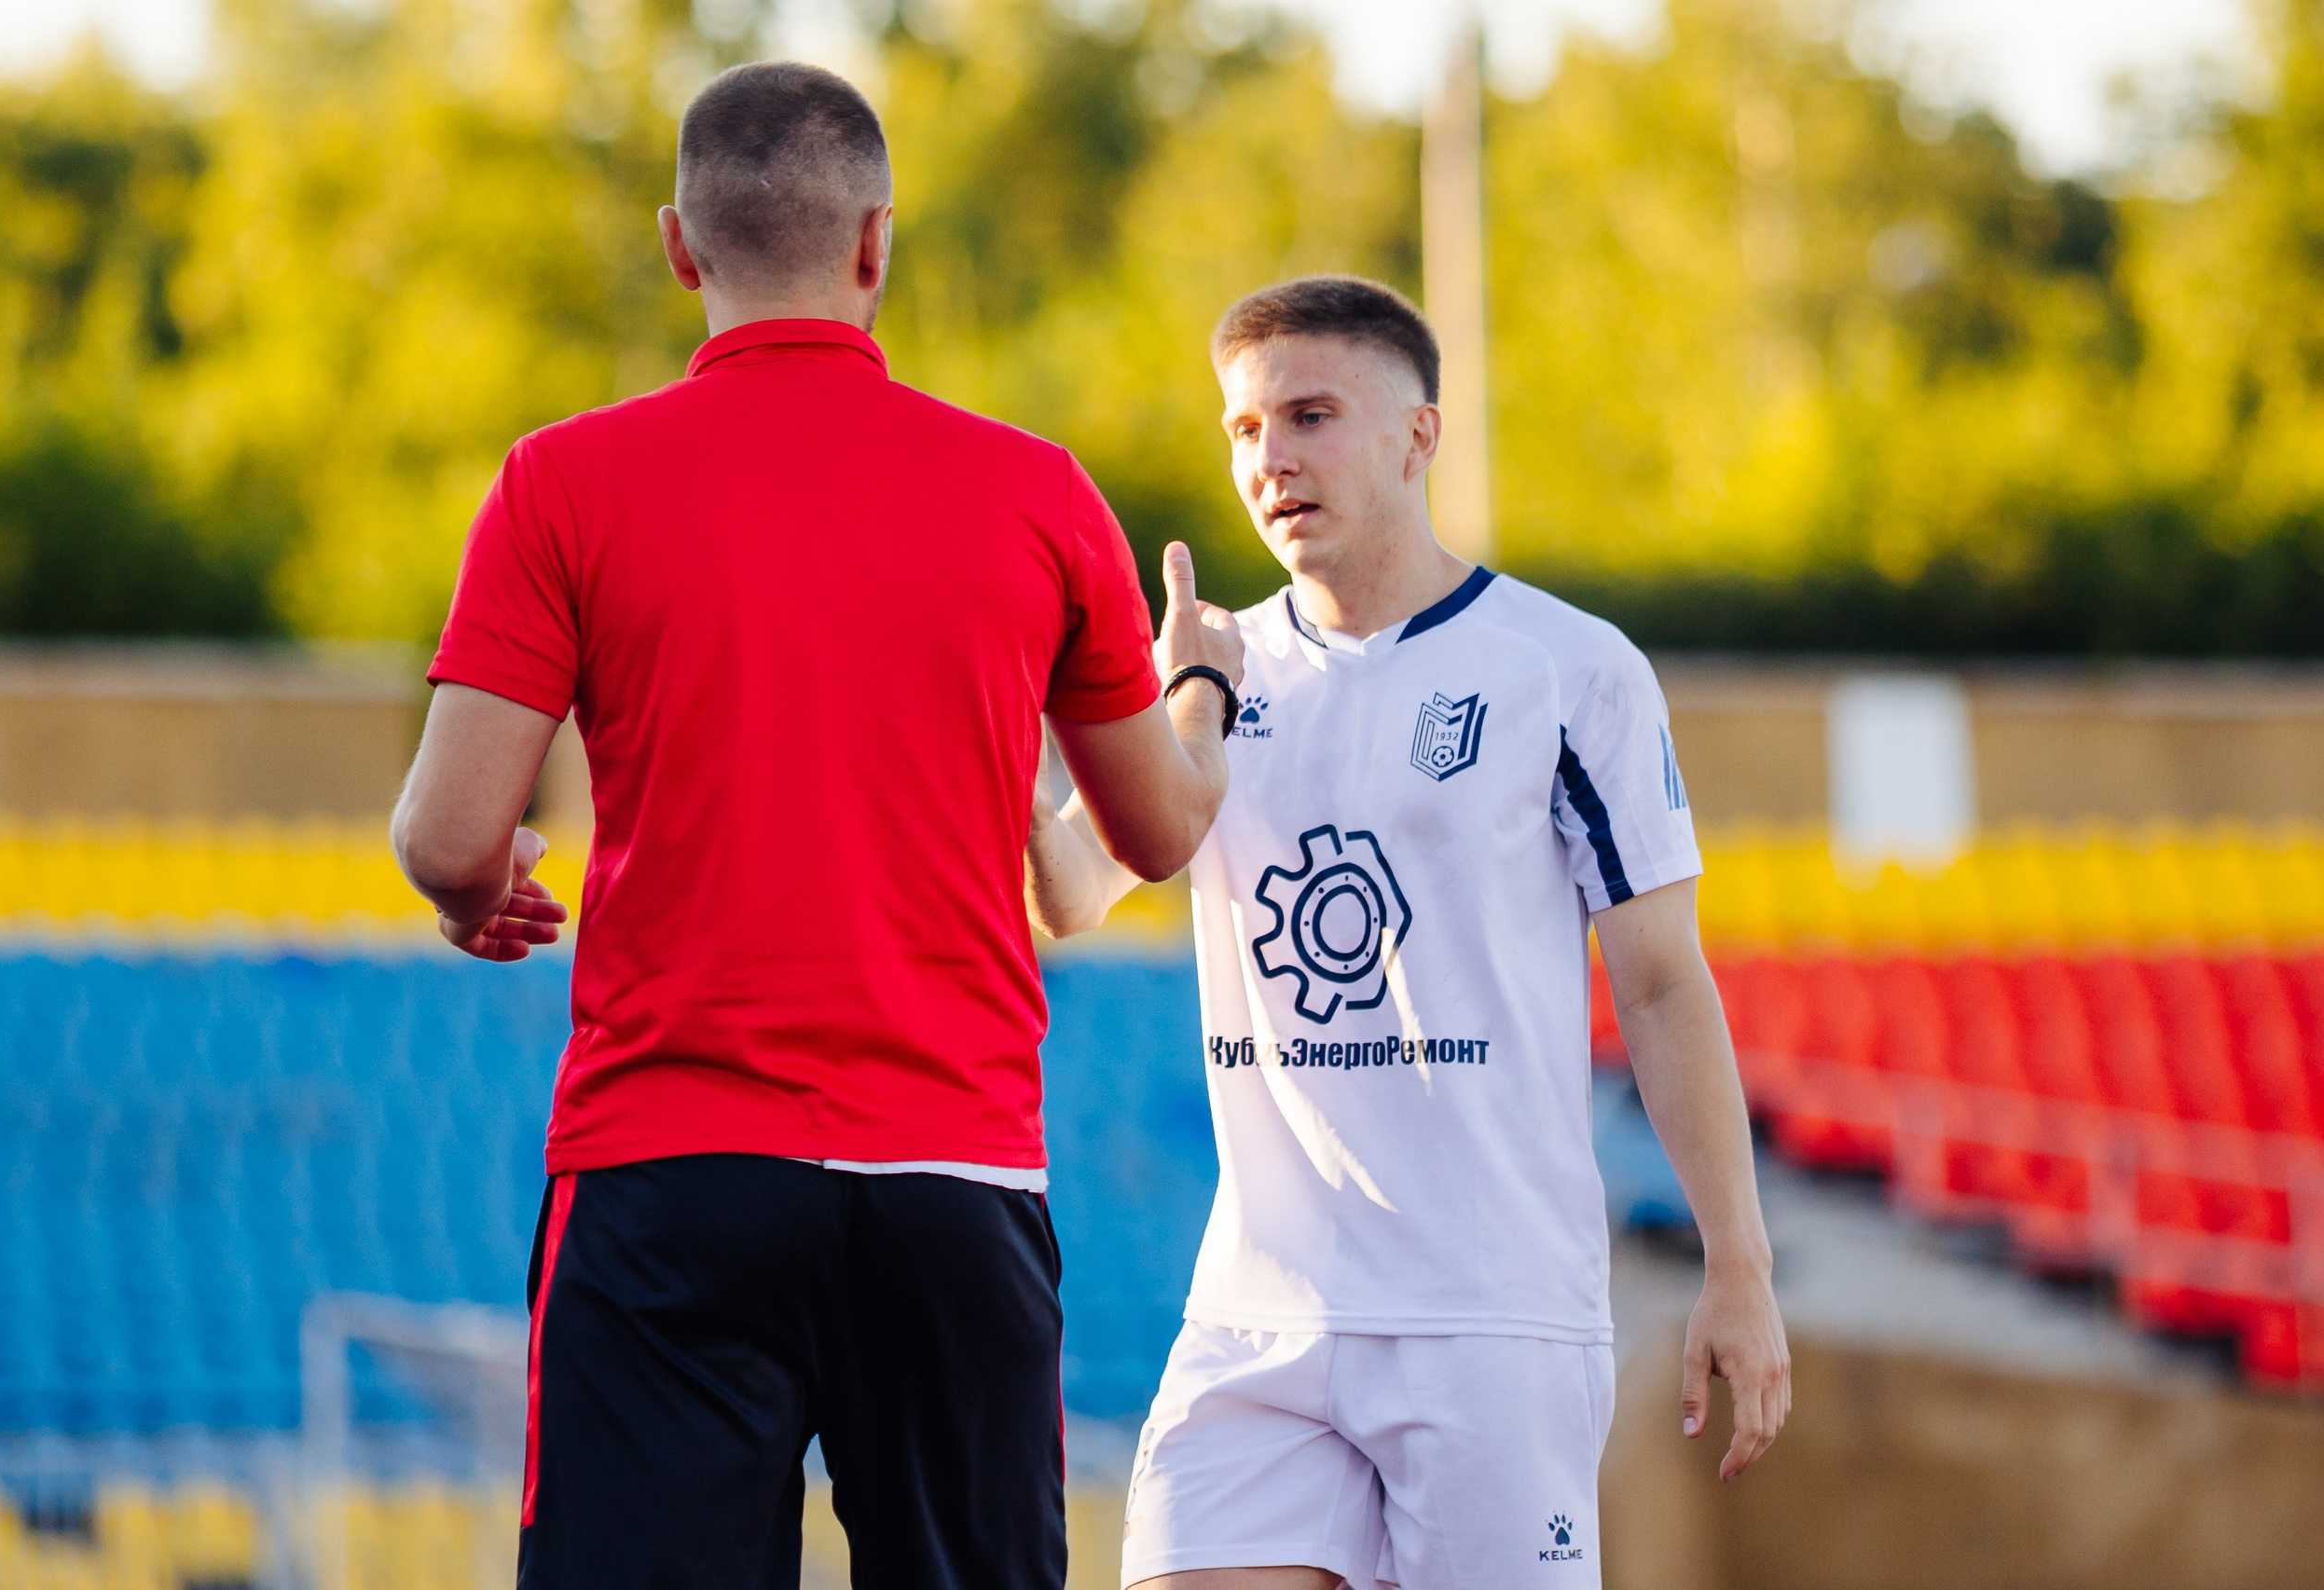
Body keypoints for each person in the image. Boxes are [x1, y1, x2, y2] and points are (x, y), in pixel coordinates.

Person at [390, 61, 1246, 1590]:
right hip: (954, 1177)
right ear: (877, 245)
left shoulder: (561, 481)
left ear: (679, 245)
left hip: (668, 1172)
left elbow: (451, 833)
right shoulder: (1039, 493)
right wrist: (1199, 682)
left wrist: (479, 892)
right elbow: (1161, 832)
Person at [1025, 276, 1790, 1590]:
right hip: (1259, 1316)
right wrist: (1067, 701)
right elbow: (1071, 893)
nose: (1271, 458)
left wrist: (1741, 1264)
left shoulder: (1567, 667)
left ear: (1419, 434)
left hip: (1489, 1317)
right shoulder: (1208, 678)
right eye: (1245, 427)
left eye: (1310, 415)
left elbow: (1663, 987)